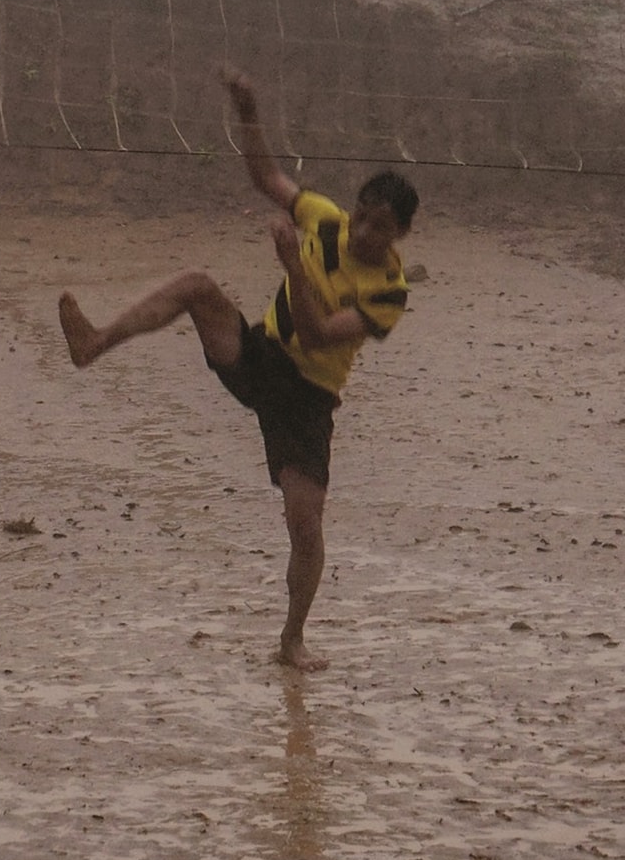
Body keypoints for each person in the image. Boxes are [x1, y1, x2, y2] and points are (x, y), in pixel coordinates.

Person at [58, 66, 417, 667]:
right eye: (363, 216)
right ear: (353, 208)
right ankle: (95, 342)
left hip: (306, 399)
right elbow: (266, 176)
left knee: (305, 526)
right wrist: (249, 114)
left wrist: (292, 268)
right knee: (198, 285)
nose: (364, 233)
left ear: (402, 234)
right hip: (260, 357)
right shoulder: (325, 220)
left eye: (381, 228)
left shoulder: (390, 291)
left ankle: (291, 639)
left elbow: (319, 333)